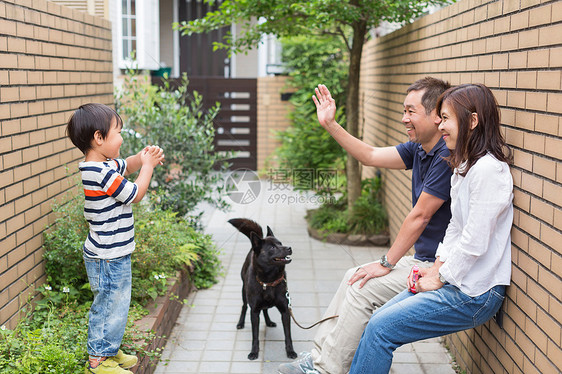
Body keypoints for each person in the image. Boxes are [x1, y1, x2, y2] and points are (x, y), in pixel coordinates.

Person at [279, 77, 453, 374]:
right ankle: (321, 356)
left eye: (411, 111)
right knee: (354, 275)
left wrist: (386, 262)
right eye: (403, 110)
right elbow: (370, 155)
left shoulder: (445, 156)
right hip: (424, 261)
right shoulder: (419, 149)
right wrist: (330, 125)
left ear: (436, 116)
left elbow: (420, 216)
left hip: (440, 269)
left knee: (363, 288)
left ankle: (326, 369)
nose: (403, 118)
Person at [349, 83, 513, 374]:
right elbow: (455, 229)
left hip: (476, 293)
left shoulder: (489, 171)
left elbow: (474, 242)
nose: (440, 124)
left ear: (473, 121)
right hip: (456, 280)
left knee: (381, 330)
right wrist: (436, 268)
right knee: (376, 323)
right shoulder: (465, 167)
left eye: (446, 118)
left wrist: (440, 278)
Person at [66, 104, 165, 374]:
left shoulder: (104, 165)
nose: (122, 137)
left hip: (113, 252)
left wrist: (144, 156)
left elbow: (129, 165)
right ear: (99, 138)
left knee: (116, 304)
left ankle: (108, 349)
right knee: (110, 304)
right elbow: (135, 193)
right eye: (118, 132)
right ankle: (99, 359)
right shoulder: (100, 173)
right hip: (108, 255)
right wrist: (149, 167)